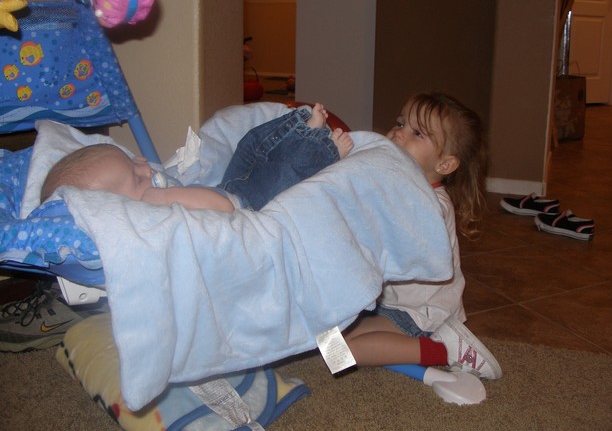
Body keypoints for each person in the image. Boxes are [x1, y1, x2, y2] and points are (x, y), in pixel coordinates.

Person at [343, 92, 502, 380]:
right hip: (390, 302)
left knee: (341, 353)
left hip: (421, 311)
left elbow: (390, 243)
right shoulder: (398, 186)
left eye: (417, 133)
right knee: (328, 339)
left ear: (444, 164)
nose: (399, 133)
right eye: (400, 123)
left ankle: (444, 350)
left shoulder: (431, 206)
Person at [40, 103, 354, 211]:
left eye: (133, 162)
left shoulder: (151, 191)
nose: (143, 166)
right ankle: (325, 152)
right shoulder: (155, 211)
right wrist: (163, 198)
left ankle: (301, 126)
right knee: (284, 174)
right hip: (246, 206)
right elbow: (220, 208)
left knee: (249, 144)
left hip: (228, 186)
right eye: (135, 177)